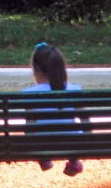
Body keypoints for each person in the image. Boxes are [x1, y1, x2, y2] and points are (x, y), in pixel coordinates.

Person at [23, 42, 84, 176]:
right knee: (73, 131)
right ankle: (74, 162)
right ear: (61, 68)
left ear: (36, 70)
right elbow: (85, 122)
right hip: (73, 144)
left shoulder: (28, 94)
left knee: (35, 135)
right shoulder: (75, 90)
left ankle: (44, 160)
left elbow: (29, 126)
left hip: (42, 144)